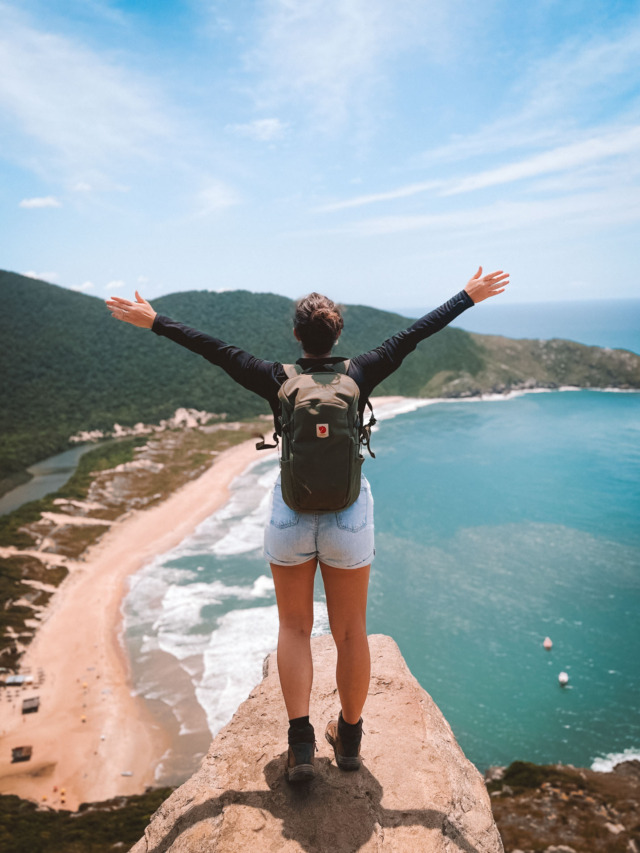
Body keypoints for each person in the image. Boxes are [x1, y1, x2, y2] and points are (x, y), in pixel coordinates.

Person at [105, 266, 508, 783]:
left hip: (290, 515)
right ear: (337, 334)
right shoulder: (361, 373)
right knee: (349, 631)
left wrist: (156, 320)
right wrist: (468, 296)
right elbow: (416, 333)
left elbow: (213, 347)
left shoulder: (277, 379)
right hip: (348, 516)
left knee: (295, 626)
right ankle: (350, 738)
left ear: (297, 336)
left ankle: (300, 747)